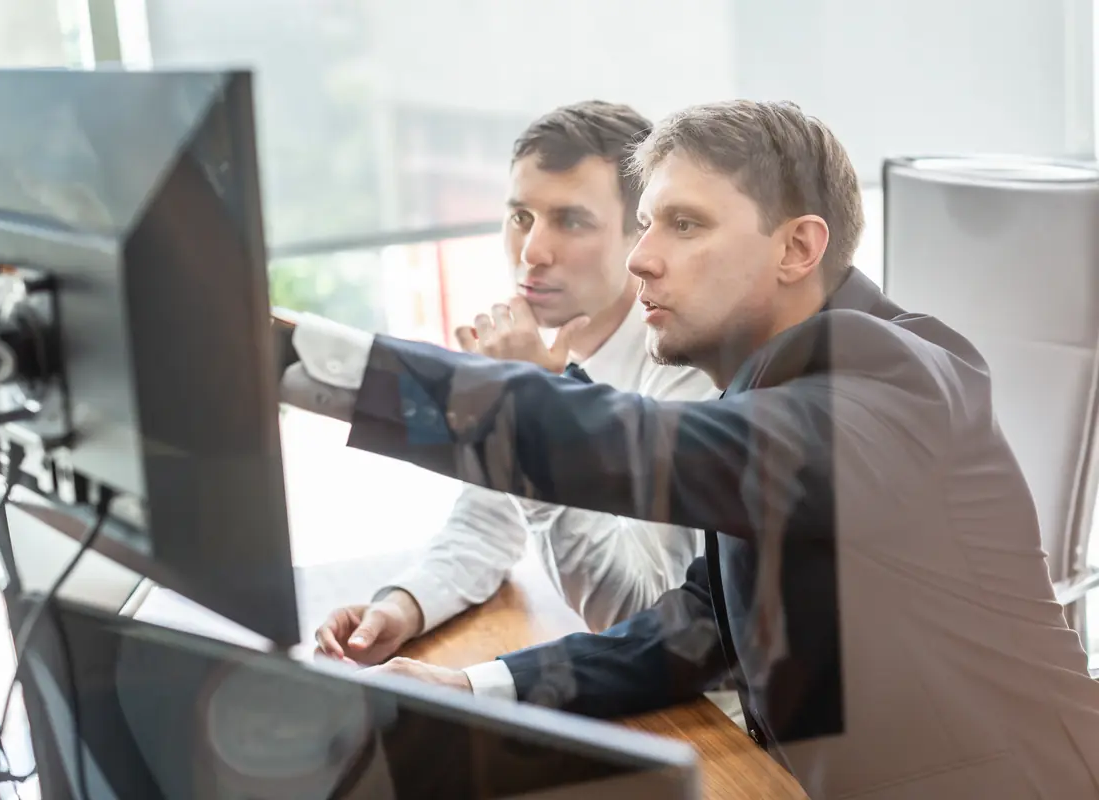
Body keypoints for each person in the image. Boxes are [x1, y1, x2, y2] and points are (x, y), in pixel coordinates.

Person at [281, 100, 1099, 798]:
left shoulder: (889, 380)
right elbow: (698, 628)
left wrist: (296, 364)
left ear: (797, 248)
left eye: (684, 224)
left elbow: (634, 444)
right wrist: (471, 687)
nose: (640, 259)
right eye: (645, 224)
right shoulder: (773, 393)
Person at [313, 101, 714, 667]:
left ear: (640, 236)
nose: (531, 252)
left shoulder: (687, 371)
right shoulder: (541, 351)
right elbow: (487, 522)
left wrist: (531, 418)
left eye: (571, 221)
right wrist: (401, 606)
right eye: (521, 216)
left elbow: (639, 612)